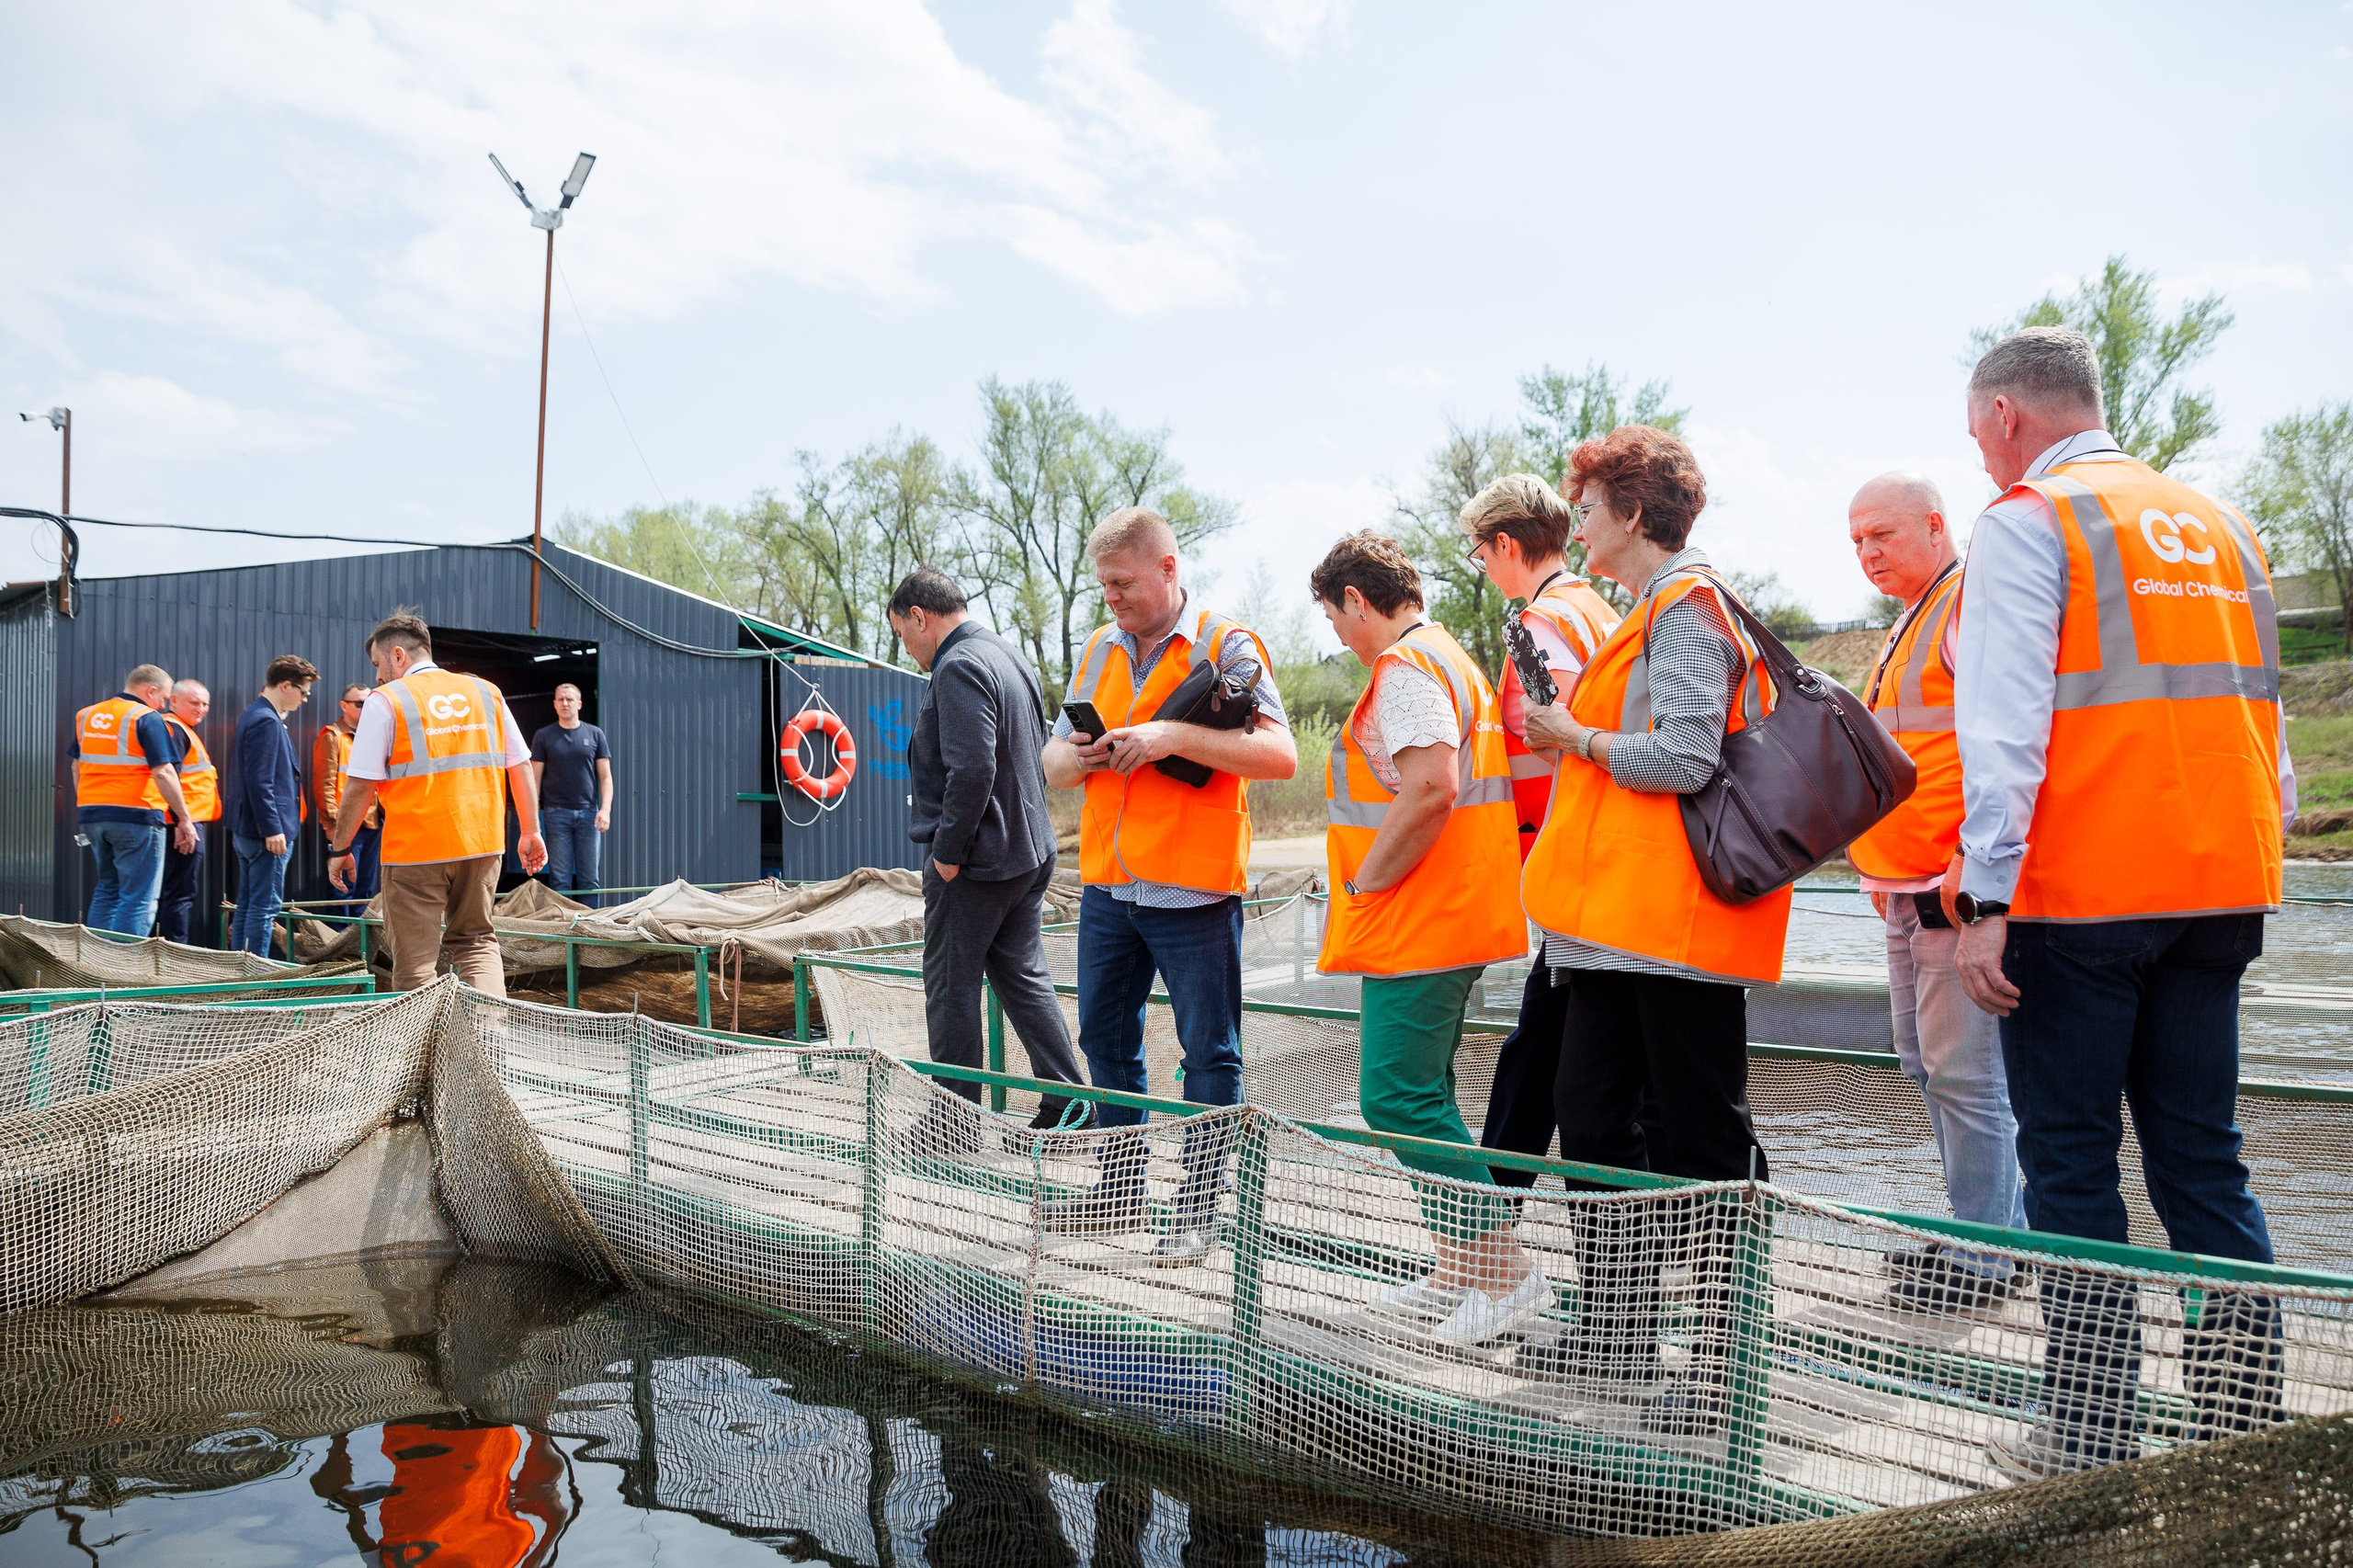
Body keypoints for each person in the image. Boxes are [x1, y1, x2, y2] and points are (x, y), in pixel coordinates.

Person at [1949, 327, 2290, 1478]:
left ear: (2004, 416)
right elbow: (2266, 721)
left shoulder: (2028, 520)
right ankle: (2243, 1422)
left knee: (2072, 1160)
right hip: (2220, 881)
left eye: (1975, 433)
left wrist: (1981, 893)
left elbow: (2001, 723)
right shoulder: (2218, 523)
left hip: (2085, 889)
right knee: (2202, 1152)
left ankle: (2087, 1431)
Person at [1518, 425, 1790, 1434]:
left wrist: (1571, 736)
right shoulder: (1653, 608)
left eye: (1584, 508)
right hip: (1614, 927)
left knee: (1705, 1140)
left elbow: (1685, 759)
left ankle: (1726, 1365)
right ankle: (1621, 1330)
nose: (1574, 525)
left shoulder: (1685, 609)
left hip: (1676, 925)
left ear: (1631, 512)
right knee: (1591, 1116)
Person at [1038, 506, 1297, 1267]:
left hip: (1195, 890)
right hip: (1110, 888)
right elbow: (1050, 764)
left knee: (1209, 1054)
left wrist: (1168, 738)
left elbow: (1280, 755)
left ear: (1167, 570)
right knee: (1104, 1040)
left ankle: (1197, 1212)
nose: (1111, 598)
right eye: (1104, 586)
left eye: (1123, 583)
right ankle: (1118, 1193)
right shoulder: (1098, 649)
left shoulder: (1229, 644)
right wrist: (1079, 756)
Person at [1313, 531, 1545, 1347]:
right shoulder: (1451, 655)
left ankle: (1506, 1277)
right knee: (1428, 1092)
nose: (1339, 637)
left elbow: (1432, 788)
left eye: (1337, 619)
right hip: (1458, 910)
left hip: (1422, 916)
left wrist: (1365, 880)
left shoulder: (1406, 669)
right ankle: (1464, 1268)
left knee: (1395, 1098)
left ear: (1357, 600)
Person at [1842, 472, 2029, 1311]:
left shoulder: (1963, 609)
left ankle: (1990, 1255)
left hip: (1950, 894)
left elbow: (2001, 745)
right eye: (1856, 542)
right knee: (1930, 1069)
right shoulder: (1907, 622)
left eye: (1881, 535)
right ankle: (1992, 1230)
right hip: (1903, 889)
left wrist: (1972, 863)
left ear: (1933, 525)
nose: (1867, 553)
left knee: (1966, 1078)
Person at [1455, 473, 1624, 1202]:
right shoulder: (1597, 608)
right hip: (1597, 857)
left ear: (1504, 543)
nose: (1483, 567)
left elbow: (1559, 734)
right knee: (1546, 1052)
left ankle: (1486, 1240)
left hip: (1571, 859)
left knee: (1538, 1057)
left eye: (1478, 552)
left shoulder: (1544, 622)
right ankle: (1491, 1231)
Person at [890, 566, 1092, 1139]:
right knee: (1022, 978)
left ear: (919, 617)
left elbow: (973, 767)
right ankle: (1069, 1103)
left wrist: (947, 853)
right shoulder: (1004, 652)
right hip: (1029, 852)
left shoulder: (956, 667)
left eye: (903, 634)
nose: (906, 648)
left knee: (951, 985)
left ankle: (951, 1126)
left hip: (978, 862)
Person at [328, 608, 547, 994]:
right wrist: (530, 831)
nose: (377, 676)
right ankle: (487, 1042)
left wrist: (341, 847)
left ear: (399, 655)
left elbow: (360, 785)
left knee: (416, 962)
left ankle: (423, 1053)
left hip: (415, 852)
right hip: (480, 845)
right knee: (477, 943)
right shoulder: (485, 692)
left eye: (379, 664)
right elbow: (521, 766)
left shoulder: (387, 700)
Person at [70, 664, 198, 937]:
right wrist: (184, 819)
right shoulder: (146, 717)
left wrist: (87, 806)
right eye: (163, 698)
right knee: (139, 898)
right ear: (151, 690)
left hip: (93, 816)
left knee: (108, 890)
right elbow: (163, 771)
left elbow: (75, 767)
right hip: (136, 816)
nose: (163, 705)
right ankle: (122, 972)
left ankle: (95, 965)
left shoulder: (87, 715)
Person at [222, 656, 317, 956]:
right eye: (303, 692)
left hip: (250, 830)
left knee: (251, 903)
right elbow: (260, 781)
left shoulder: (255, 714)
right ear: (285, 685)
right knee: (263, 907)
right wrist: (272, 828)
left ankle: (239, 973)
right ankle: (252, 980)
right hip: (265, 834)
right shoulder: (265, 720)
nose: (305, 699)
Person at [530, 682, 613, 906]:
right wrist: (532, 815)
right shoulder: (544, 736)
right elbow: (534, 779)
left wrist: (605, 809)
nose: (564, 703)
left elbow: (605, 777)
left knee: (590, 879)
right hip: (556, 814)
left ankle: (590, 929)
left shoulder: (595, 734)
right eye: (560, 699)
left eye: (569, 699)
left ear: (579, 704)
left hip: (589, 813)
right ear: (555, 704)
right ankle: (563, 929)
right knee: (560, 880)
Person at [156, 680, 219, 945]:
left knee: (173, 893)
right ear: (174, 701)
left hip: (183, 822)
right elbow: (169, 777)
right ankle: (174, 956)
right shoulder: (175, 729)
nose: (201, 709)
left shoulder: (181, 730)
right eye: (194, 702)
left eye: (205, 704)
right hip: (182, 825)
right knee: (179, 894)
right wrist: (183, 822)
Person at [313, 684, 382, 915]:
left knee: (364, 889)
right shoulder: (333, 736)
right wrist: (333, 825)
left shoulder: (371, 736)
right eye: (360, 703)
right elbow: (324, 786)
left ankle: (358, 946)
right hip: (348, 825)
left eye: (369, 703)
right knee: (343, 888)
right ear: (344, 706)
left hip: (372, 823)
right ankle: (338, 944)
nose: (366, 708)